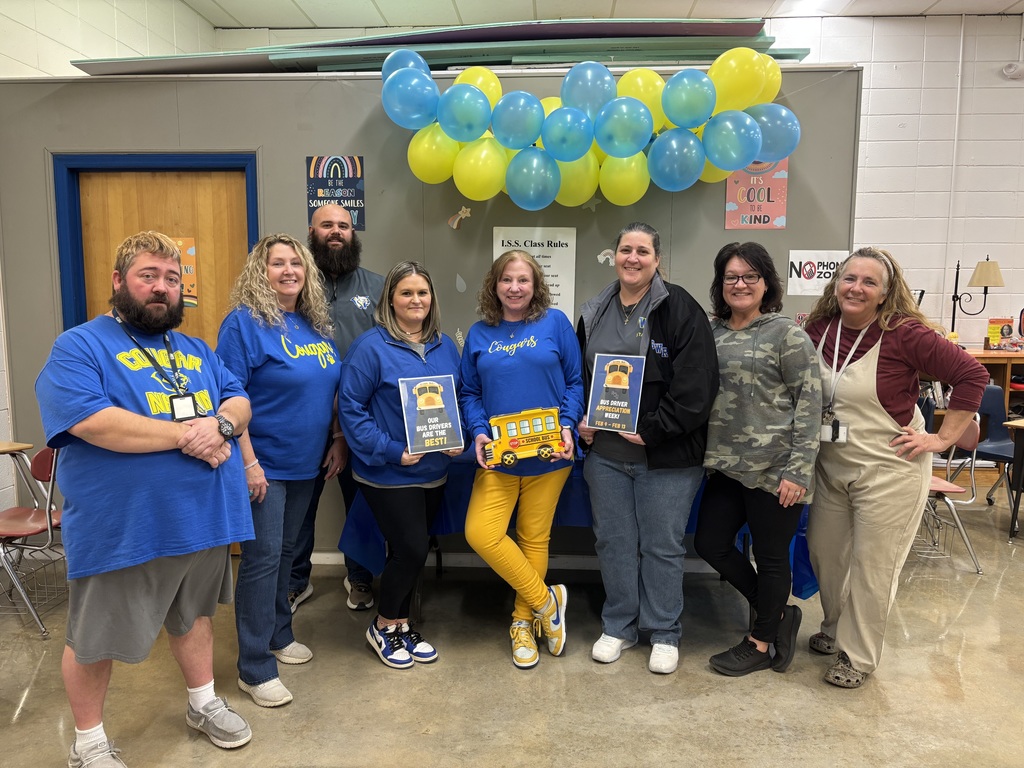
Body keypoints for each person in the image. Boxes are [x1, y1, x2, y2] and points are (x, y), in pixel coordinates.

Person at [35, 231, 254, 767]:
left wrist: (221, 423)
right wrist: (189, 434)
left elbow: (239, 399)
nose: (161, 289)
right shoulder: (80, 346)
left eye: (172, 280)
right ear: (119, 282)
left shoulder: (196, 349)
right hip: (126, 526)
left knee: (195, 615)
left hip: (203, 520)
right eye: (148, 277)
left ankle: (202, 703)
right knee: (95, 637)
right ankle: (87, 743)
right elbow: (91, 421)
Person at [803, 246, 988, 688]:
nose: (857, 288)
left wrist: (942, 439)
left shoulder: (905, 334)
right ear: (836, 284)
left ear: (885, 294)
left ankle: (858, 656)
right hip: (832, 467)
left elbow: (973, 375)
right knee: (825, 555)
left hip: (891, 469)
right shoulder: (818, 329)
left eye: (869, 282)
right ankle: (833, 625)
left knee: (873, 566)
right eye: (850, 278)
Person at [577, 222, 718, 675]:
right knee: (613, 542)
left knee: (661, 546)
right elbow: (580, 377)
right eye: (624, 250)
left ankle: (664, 631)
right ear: (613, 255)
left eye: (642, 251)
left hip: (666, 458)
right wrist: (582, 418)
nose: (632, 258)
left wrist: (655, 429)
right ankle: (618, 625)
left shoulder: (679, 309)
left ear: (657, 260)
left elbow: (698, 385)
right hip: (607, 458)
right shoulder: (596, 308)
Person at [216, 234, 341, 708]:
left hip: (306, 463)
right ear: (260, 271)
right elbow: (228, 396)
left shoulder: (314, 325)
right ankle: (253, 666)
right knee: (262, 559)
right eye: (277, 263)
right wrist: (247, 462)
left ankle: (278, 634)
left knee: (286, 555)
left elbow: (329, 388)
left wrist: (337, 439)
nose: (289, 271)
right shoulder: (243, 325)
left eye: (296, 263)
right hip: (262, 464)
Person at [695, 242, 822, 676]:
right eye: (731, 276)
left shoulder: (786, 334)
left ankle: (761, 642)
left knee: (771, 558)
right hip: (726, 467)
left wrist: (798, 471)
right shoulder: (711, 332)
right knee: (709, 543)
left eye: (750, 276)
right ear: (720, 283)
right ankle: (777, 614)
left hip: (775, 470)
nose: (740, 284)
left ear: (766, 283)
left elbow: (810, 404)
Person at [460, 250, 584, 670]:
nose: (515, 287)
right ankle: (547, 602)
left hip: (550, 453)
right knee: (481, 532)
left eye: (523, 280)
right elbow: (469, 393)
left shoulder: (556, 324)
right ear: (494, 285)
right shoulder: (479, 333)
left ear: (536, 286)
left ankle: (522, 623)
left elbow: (574, 380)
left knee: (534, 538)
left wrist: (568, 423)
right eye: (507, 280)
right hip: (500, 456)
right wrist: (478, 430)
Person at [339, 261, 463, 668]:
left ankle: (402, 626)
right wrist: (392, 450)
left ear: (432, 299)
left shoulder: (446, 346)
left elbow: (458, 400)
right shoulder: (370, 347)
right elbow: (351, 408)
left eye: (422, 293)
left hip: (433, 472)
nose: (415, 300)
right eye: (406, 293)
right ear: (390, 299)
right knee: (408, 549)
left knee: (415, 550)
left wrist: (455, 438)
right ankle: (382, 625)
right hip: (387, 472)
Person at [289, 203, 384, 614]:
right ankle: (295, 581)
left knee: (361, 504)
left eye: (343, 226)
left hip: (359, 419)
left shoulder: (378, 286)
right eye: (327, 225)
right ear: (311, 230)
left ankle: (359, 576)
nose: (335, 232)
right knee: (299, 507)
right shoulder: (293, 286)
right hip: (304, 419)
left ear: (353, 233)